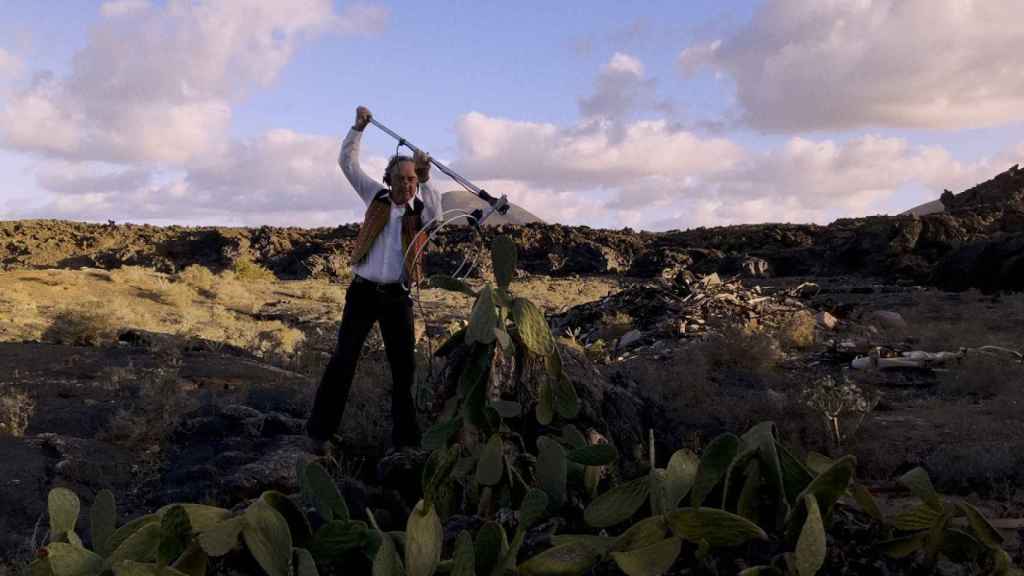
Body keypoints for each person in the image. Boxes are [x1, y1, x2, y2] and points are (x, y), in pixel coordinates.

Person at [306, 105, 441, 457]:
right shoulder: (374, 197)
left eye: (413, 179)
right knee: (343, 361)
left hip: (398, 298)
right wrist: (358, 129)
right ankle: (319, 434)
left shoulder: (421, 210)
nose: (407, 185)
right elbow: (348, 165)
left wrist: (427, 178)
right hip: (363, 294)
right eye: (402, 179)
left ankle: (406, 444)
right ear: (389, 180)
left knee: (404, 370)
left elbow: (438, 216)